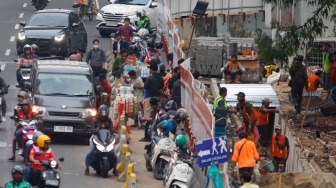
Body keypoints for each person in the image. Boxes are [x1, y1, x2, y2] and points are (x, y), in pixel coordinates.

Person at [85, 104, 118, 176]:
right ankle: (87, 168)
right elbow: (92, 129)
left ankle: (115, 168)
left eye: (105, 114)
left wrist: (110, 130)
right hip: (96, 139)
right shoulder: (95, 120)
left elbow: (111, 130)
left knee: (114, 154)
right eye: (102, 113)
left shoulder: (109, 120)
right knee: (89, 153)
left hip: (106, 140)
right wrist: (99, 127)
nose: (103, 116)